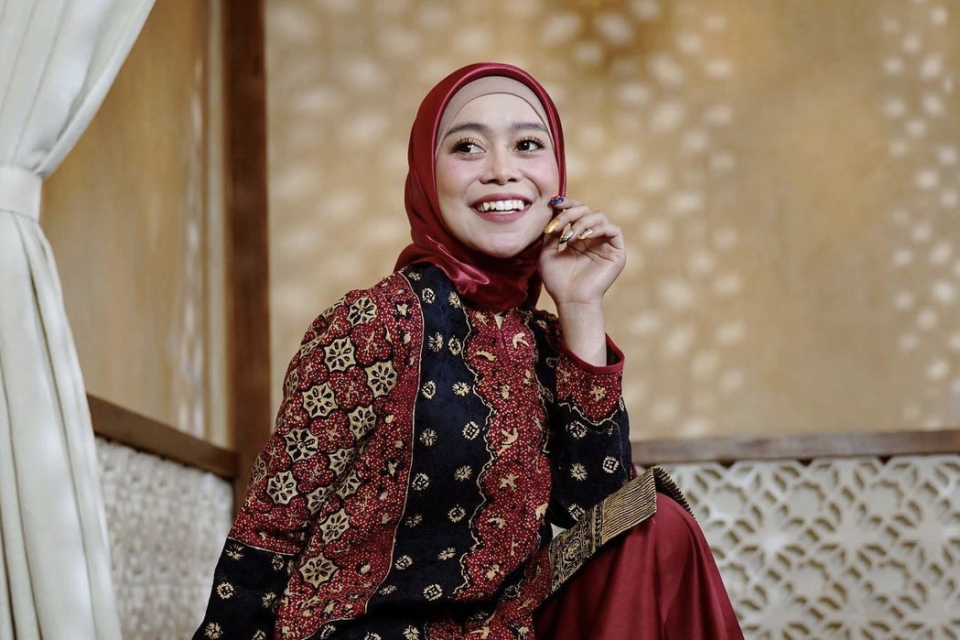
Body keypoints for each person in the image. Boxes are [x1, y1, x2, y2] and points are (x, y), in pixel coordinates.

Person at [192, 62, 744, 640]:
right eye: (467, 147)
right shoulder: (375, 322)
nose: (502, 171)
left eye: (527, 145)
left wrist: (581, 306)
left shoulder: (544, 341)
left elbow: (602, 515)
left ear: (557, 175)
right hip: (364, 633)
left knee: (660, 527)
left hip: (505, 631)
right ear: (427, 177)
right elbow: (270, 527)